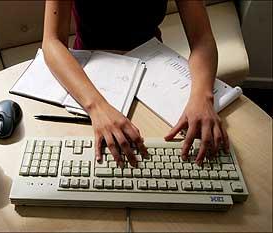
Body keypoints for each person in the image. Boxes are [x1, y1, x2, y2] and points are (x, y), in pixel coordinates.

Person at [42, 0, 229, 168]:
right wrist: (96, 107)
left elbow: (202, 39)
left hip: (153, 71)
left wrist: (203, 96)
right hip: (90, 77)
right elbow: (52, 41)